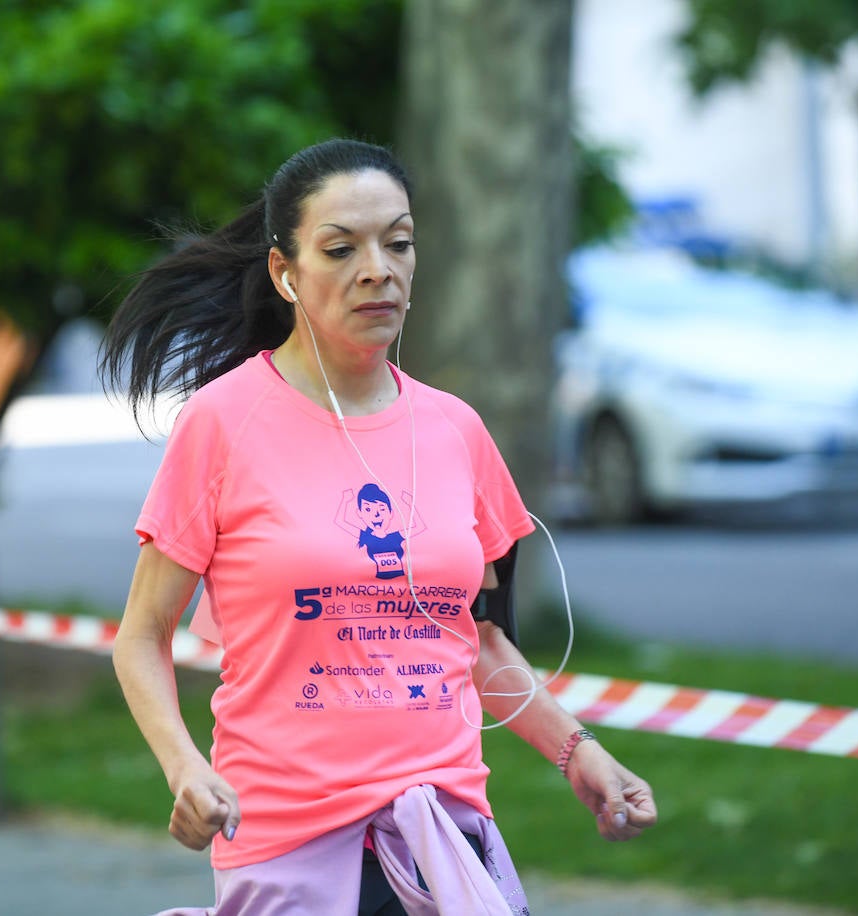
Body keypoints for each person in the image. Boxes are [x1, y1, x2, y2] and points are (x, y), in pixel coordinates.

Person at [99, 138, 657, 915]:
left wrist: (578, 752)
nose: (377, 269)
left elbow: (481, 641)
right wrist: (185, 767)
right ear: (283, 273)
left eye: (398, 243)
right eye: (340, 248)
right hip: (289, 837)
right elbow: (141, 636)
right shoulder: (223, 422)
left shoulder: (456, 429)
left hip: (444, 834)